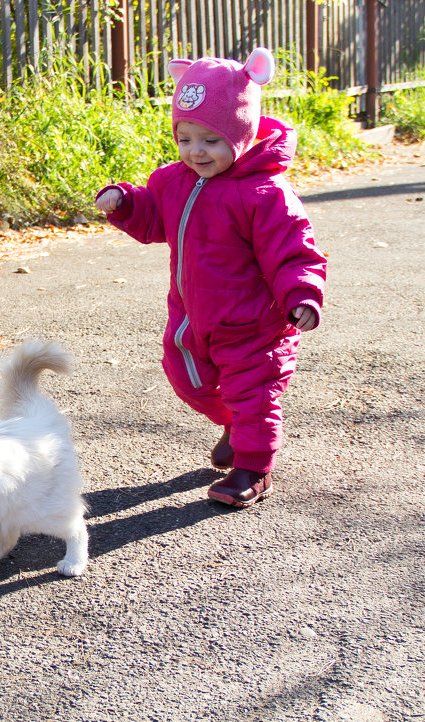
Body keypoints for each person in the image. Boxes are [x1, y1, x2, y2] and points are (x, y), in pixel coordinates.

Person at [95, 47, 326, 508]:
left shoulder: (264, 194)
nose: (195, 151)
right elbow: (154, 219)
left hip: (255, 326)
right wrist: (126, 204)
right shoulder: (172, 181)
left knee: (254, 394)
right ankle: (236, 427)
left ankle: (253, 470)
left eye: (211, 140)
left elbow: (293, 248)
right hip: (191, 319)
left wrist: (302, 292)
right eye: (185, 138)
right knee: (188, 382)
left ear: (242, 134)